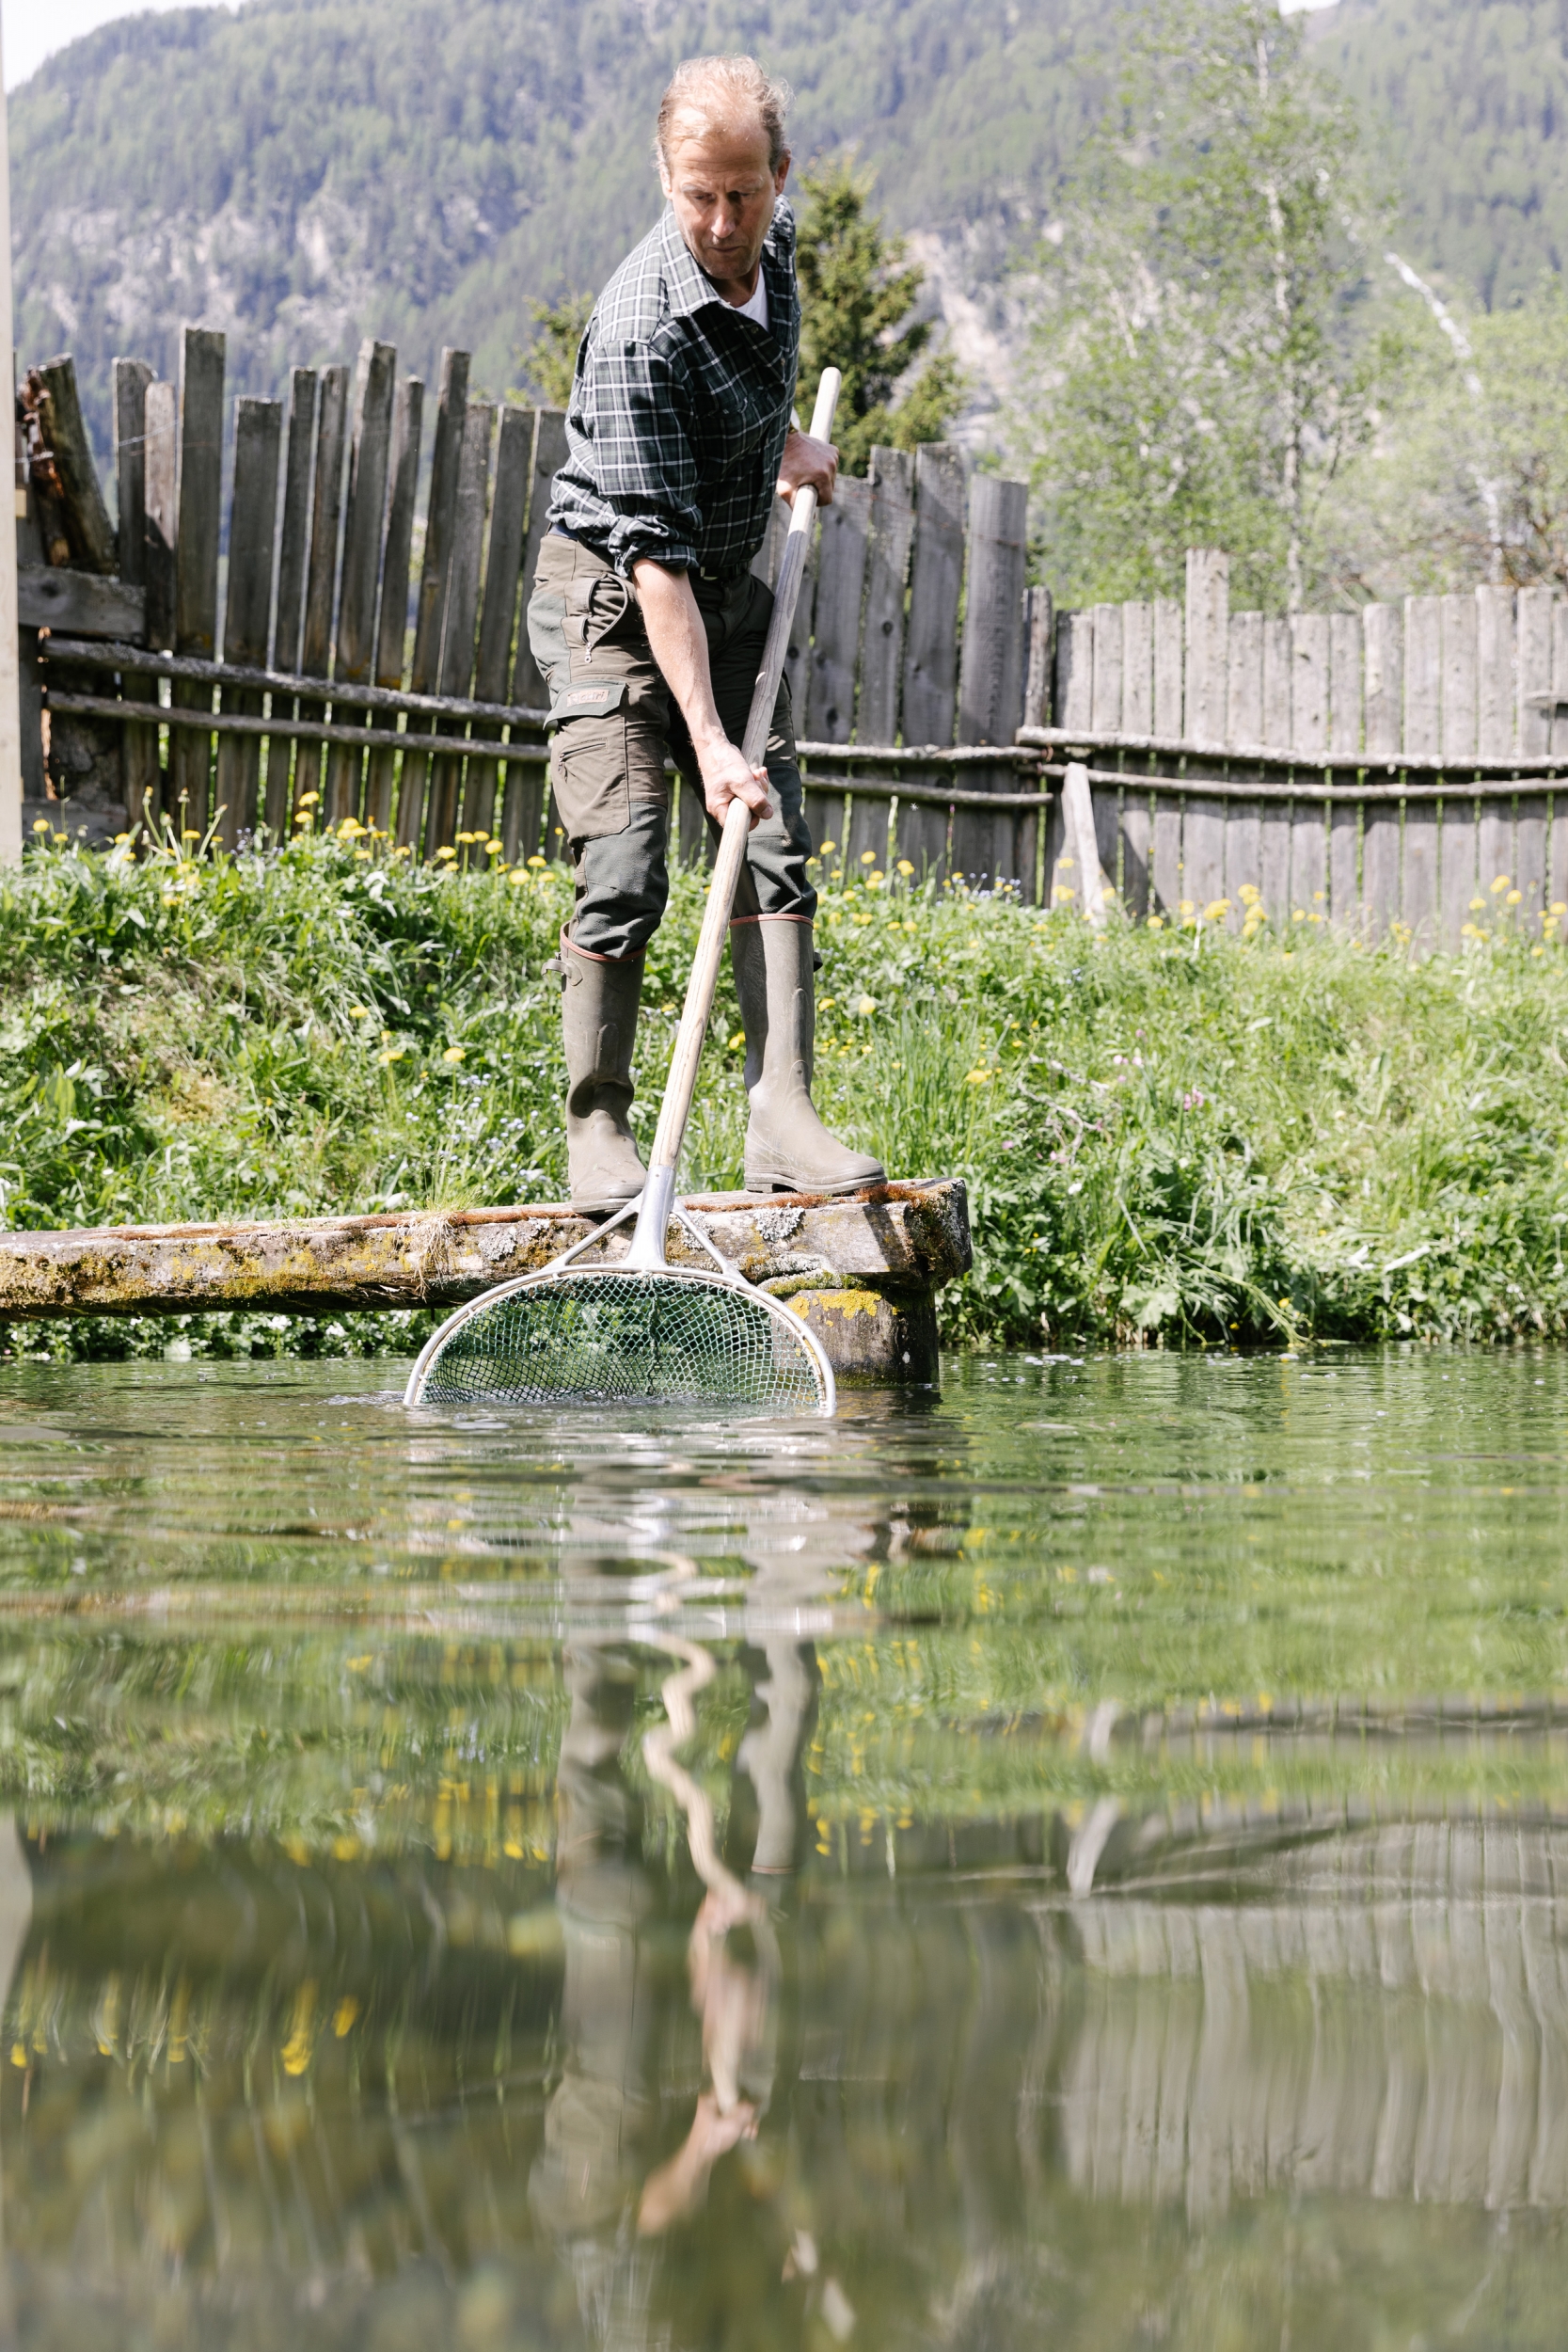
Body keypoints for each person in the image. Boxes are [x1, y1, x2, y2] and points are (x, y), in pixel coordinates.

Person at [527, 54, 887, 1210]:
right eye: (698, 195)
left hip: (721, 584)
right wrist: (711, 741)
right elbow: (652, 568)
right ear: (665, 179)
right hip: (614, 602)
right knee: (628, 857)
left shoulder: (770, 245)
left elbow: (748, 371)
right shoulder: (638, 330)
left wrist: (778, 441)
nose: (724, 224)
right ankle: (598, 1134)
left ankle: (781, 1116)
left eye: (744, 192)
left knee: (771, 846)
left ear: (779, 176)